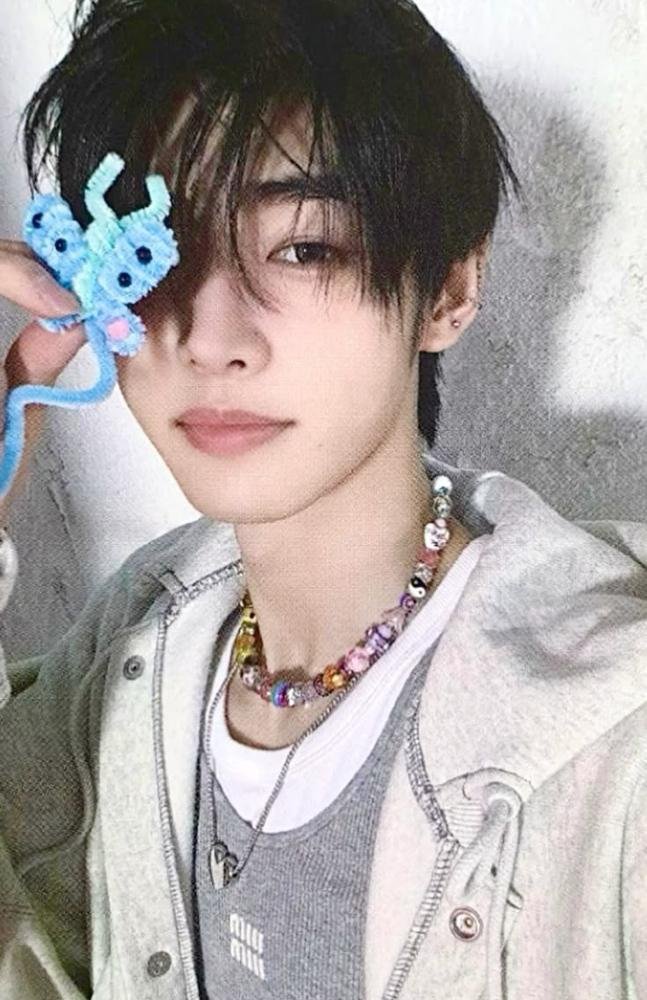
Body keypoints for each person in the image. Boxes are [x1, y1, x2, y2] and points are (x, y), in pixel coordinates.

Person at [0, 1, 645, 998]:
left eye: (302, 249)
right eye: (154, 253)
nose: (210, 337)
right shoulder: (128, 651)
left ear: (447, 290)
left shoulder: (611, 743)